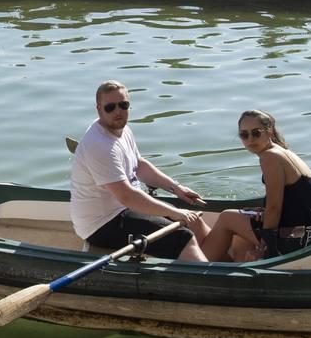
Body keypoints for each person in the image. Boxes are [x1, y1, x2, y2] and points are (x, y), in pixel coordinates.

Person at [71, 80, 209, 261]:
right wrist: (175, 213)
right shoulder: (99, 145)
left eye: (123, 105)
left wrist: (176, 188)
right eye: (110, 107)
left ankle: (222, 263)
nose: (118, 111)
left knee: (195, 222)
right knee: (183, 237)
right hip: (102, 223)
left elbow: (139, 165)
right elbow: (127, 196)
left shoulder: (123, 129)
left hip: (126, 207)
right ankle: (214, 281)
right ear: (99, 109)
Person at [200, 110, 311, 262]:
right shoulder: (281, 151)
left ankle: (195, 268)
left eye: (256, 133)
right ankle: (235, 270)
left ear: (269, 131)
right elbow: (293, 199)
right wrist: (262, 211)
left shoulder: (270, 157)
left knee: (227, 218)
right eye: (244, 135)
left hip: (305, 236)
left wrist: (264, 247)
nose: (250, 139)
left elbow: (274, 208)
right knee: (241, 230)